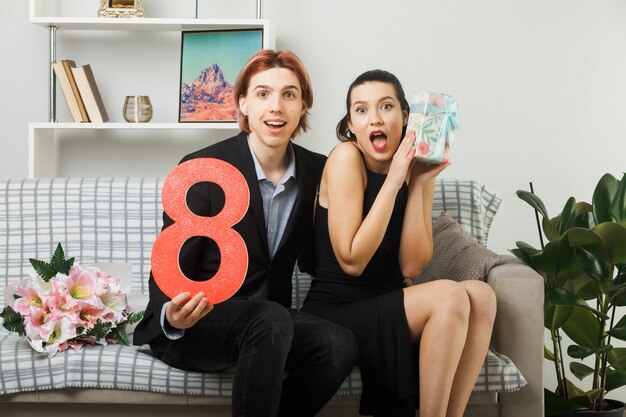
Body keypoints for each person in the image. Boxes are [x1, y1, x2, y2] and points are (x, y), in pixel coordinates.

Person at [133, 49, 358, 417]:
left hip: (273, 325)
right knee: (269, 318)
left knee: (338, 343)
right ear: (243, 104)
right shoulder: (203, 167)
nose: (276, 107)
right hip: (197, 322)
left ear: (303, 106)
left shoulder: (320, 172)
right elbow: (170, 259)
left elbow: (320, 259)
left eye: (289, 94)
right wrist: (170, 316)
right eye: (263, 93)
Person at [302, 70, 497, 417]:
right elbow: (351, 260)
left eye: (386, 106)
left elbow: (411, 266)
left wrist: (418, 183)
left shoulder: (413, 167)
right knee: (450, 294)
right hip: (335, 314)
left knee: (482, 296)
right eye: (361, 110)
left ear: (406, 116)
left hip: (389, 304)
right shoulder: (346, 158)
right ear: (350, 123)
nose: (374, 118)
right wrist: (394, 181)